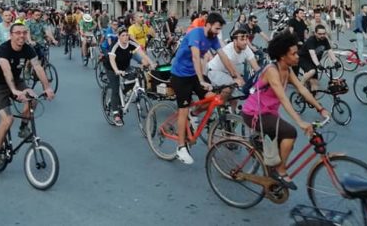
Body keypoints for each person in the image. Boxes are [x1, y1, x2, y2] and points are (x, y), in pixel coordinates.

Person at [241, 31, 329, 190]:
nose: (297, 56)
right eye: (293, 54)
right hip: (255, 113)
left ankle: (270, 173)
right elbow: (283, 98)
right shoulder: (272, 70)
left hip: (269, 113)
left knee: (286, 142)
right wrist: (300, 122)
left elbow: (302, 89)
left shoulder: (287, 70)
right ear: (282, 56)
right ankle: (280, 171)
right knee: (290, 132)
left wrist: (320, 108)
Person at [170, 12, 244, 165]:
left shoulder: (213, 38)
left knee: (213, 98)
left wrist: (236, 76)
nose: (218, 32)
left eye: (219, 29)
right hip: (180, 75)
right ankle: (180, 147)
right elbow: (196, 57)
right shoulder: (195, 34)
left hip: (195, 75)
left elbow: (223, 57)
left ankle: (194, 113)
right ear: (208, 25)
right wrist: (201, 80)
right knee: (183, 109)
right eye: (216, 29)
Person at [0, 22, 55, 167]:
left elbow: (38, 67)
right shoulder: (3, 50)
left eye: (24, 32)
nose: (22, 36)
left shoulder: (28, 49)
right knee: (8, 120)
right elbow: (7, 71)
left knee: (33, 99)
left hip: (17, 82)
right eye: (18, 33)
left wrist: (47, 88)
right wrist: (14, 90)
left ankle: (23, 127)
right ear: (11, 35)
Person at [106, 26, 154, 126]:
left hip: (125, 67)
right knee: (115, 89)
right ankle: (116, 115)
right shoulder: (115, 45)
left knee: (135, 77)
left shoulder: (131, 43)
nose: (126, 37)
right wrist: (116, 70)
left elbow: (142, 54)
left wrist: (151, 63)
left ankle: (122, 95)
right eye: (123, 35)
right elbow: (112, 60)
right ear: (119, 37)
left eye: (127, 35)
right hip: (112, 68)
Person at [207, 28, 260, 103]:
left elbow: (256, 68)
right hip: (213, 70)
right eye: (242, 39)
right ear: (235, 41)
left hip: (227, 72)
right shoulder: (228, 49)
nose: (245, 42)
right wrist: (241, 82)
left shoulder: (246, 48)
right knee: (233, 86)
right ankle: (219, 105)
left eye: (246, 39)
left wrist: (264, 77)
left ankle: (230, 109)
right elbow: (232, 69)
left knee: (236, 97)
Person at [298, 25, 338, 93]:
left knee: (315, 87)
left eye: (323, 33)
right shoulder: (311, 40)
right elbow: (312, 54)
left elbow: (330, 51)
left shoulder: (325, 40)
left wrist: (336, 62)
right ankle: (300, 85)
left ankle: (311, 97)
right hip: (303, 59)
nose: (322, 35)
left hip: (313, 62)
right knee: (312, 71)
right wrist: (318, 65)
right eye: (320, 34)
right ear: (315, 33)